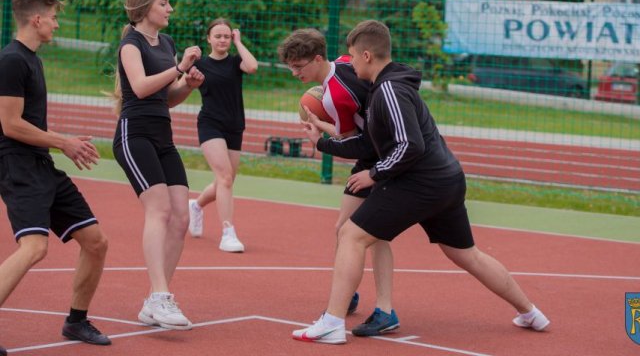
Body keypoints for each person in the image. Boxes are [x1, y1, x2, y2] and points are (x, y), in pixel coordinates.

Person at [293, 20, 550, 344]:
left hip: (420, 182)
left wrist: (373, 174)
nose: (350, 63)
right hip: (446, 179)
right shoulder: (387, 87)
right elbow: (369, 143)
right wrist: (322, 142)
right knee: (465, 254)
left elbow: (409, 145)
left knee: (351, 235)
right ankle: (530, 312)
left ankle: (332, 321)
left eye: (353, 57)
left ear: (367, 55)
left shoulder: (388, 91)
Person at [0, 0, 111, 353]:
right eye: (53, 17)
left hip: (41, 164)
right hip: (17, 166)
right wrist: (63, 141)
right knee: (34, 247)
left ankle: (76, 322)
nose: (56, 23)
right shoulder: (12, 61)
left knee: (95, 242)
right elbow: (10, 124)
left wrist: (59, 143)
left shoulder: (33, 59)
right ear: (36, 20)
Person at [278, 28, 399, 337]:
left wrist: (318, 133)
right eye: (291, 66)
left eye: (299, 66)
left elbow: (350, 140)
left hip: (378, 157)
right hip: (374, 150)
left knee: (370, 235)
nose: (294, 72)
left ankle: (384, 309)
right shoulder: (346, 61)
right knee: (346, 229)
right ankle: (349, 293)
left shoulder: (333, 95)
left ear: (318, 58)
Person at [112, 0, 204, 330]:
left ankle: (155, 299)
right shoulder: (131, 44)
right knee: (160, 210)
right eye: (164, 2)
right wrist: (179, 69)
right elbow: (139, 87)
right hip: (134, 135)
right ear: (145, 6)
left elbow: (167, 97)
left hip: (162, 135)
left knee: (181, 216)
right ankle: (161, 296)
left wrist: (187, 86)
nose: (170, 8)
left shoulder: (166, 42)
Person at [188, 18, 258, 252]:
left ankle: (196, 205)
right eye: (218, 36)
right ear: (208, 38)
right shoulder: (200, 64)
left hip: (235, 126)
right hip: (210, 125)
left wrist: (239, 42)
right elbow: (183, 83)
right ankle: (228, 233)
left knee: (224, 181)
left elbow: (253, 66)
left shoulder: (236, 62)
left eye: (226, 36)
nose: (222, 40)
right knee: (225, 178)